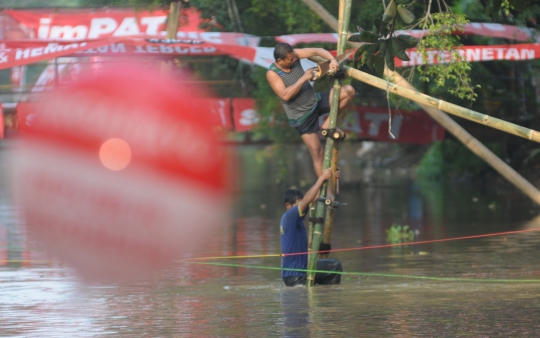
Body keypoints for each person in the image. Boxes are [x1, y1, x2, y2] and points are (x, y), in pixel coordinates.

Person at [266, 42, 355, 177]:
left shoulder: (293, 55)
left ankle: (327, 124)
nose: (295, 59)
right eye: (291, 59)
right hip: (302, 117)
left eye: (294, 57)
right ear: (280, 60)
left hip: (315, 101)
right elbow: (285, 95)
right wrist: (304, 78)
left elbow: (317, 50)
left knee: (349, 91)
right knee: (317, 153)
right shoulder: (272, 73)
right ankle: (323, 190)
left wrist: (332, 61)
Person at [280, 168, 343, 287]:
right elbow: (307, 199)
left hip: (295, 275)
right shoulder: (289, 216)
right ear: (288, 205)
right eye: (299, 203)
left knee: (329, 266)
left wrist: (332, 181)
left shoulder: (295, 219)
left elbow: (317, 196)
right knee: (335, 266)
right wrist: (321, 178)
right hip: (296, 276)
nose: (302, 206)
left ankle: (323, 296)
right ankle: (331, 299)